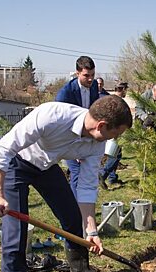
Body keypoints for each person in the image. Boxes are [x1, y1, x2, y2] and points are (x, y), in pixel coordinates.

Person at [0, 96, 132, 272]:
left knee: (72, 217)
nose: (115, 140)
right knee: (15, 234)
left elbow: (86, 187)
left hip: (46, 167)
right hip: (17, 163)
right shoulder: (52, 116)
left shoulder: (96, 143)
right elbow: (3, 150)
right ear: (102, 126)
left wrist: (92, 229)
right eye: (115, 134)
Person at [55, 56, 99, 198]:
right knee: (76, 173)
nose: (91, 79)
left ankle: (83, 205)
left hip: (86, 137)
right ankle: (76, 209)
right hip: (68, 138)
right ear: (77, 73)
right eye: (86, 75)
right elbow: (61, 123)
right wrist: (76, 150)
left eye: (93, 75)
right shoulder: (65, 94)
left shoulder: (93, 87)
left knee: (86, 174)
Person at [99, 82, 129, 189]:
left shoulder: (113, 99)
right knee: (115, 155)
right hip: (114, 132)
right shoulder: (116, 102)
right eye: (126, 90)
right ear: (123, 90)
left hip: (115, 131)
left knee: (115, 154)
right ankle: (103, 174)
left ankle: (112, 178)